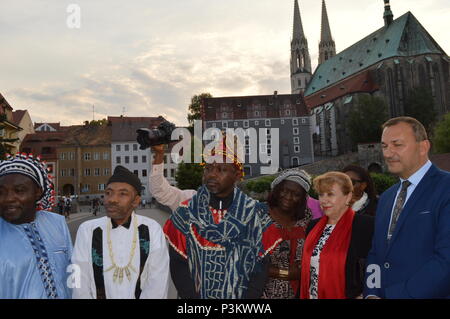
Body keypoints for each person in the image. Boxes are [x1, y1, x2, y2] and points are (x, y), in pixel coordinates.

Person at [151, 139, 282, 299]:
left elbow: (261, 267)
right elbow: (179, 264)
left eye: (221, 169)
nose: (212, 174)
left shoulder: (255, 215)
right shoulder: (186, 213)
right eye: (208, 168)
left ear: (237, 175)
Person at [364, 117, 450, 299]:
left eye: (397, 144)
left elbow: (446, 262)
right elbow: (375, 254)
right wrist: (371, 293)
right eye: (385, 146)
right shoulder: (386, 197)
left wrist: (392, 295)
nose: (387, 153)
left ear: (423, 147)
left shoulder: (446, 188)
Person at [72, 165, 170, 299]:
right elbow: (78, 278)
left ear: (136, 201)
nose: (112, 199)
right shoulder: (87, 230)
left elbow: (158, 282)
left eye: (122, 194)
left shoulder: (152, 229)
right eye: (108, 193)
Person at [0, 153, 73, 299]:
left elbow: (73, 269)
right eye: (1, 192)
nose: (8, 199)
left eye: (19, 190)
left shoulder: (57, 223)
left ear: (38, 192)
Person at [300, 172, 374, 299]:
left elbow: (375, 265)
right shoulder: (313, 226)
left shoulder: (365, 225)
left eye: (330, 194)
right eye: (321, 194)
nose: (324, 200)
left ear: (348, 196)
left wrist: (368, 294)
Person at [261, 170, 323, 299]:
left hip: (303, 292)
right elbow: (245, 261)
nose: (288, 197)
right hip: (261, 292)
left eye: (296, 194)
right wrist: (287, 274)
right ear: (277, 189)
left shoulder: (307, 220)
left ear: (303, 198)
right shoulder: (258, 217)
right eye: (285, 190)